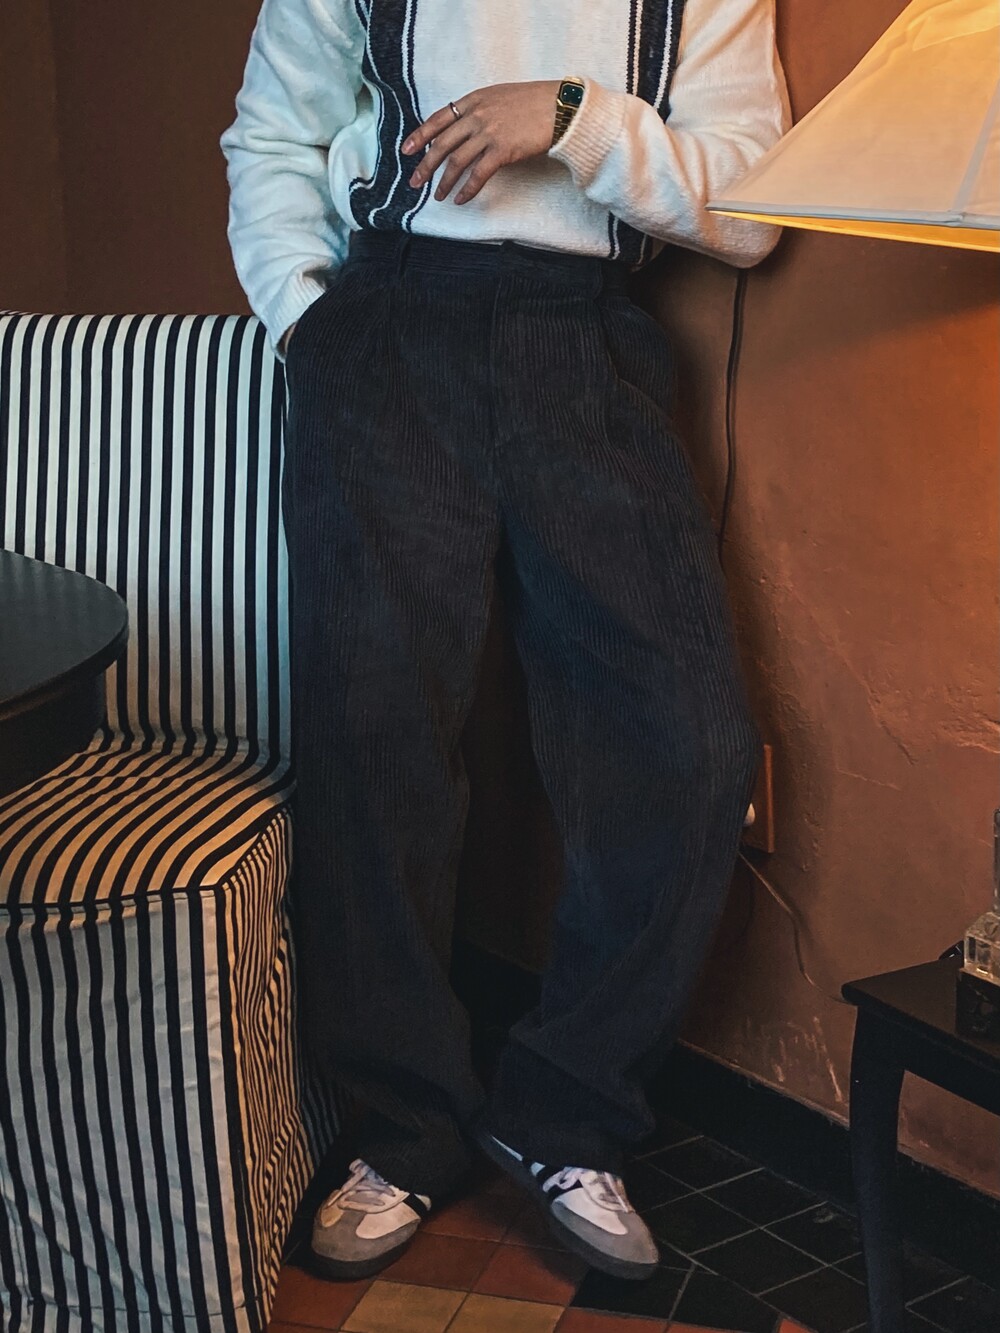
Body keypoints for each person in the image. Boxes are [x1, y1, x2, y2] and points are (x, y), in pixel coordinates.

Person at [221, 0, 790, 1286]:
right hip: (388, 327)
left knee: (688, 745)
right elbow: (271, 135)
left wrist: (577, 120)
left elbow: (751, 210)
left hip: (586, 341)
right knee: (376, 740)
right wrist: (307, 320)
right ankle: (404, 1124)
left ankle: (564, 1112)